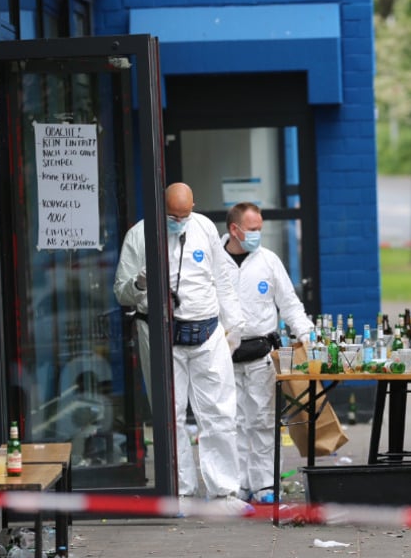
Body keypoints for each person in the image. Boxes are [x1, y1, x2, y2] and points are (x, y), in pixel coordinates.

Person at [114, 183, 252, 515]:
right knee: (170, 416)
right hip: (161, 334)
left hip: (206, 331)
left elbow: (222, 279)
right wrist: (140, 282)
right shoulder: (139, 235)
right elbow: (121, 293)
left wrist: (234, 327)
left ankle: (224, 493)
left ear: (194, 207)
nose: (178, 222)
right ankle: (181, 492)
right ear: (160, 207)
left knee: (219, 413)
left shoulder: (203, 227)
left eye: (184, 215)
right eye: (172, 216)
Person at [220, 202, 314, 504]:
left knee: (262, 421)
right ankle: (235, 485)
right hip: (223, 354)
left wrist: (307, 335)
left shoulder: (268, 261)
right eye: (253, 229)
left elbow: (289, 303)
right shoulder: (213, 260)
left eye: (260, 228)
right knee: (229, 422)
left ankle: (264, 486)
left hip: (261, 353)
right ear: (234, 229)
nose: (258, 234)